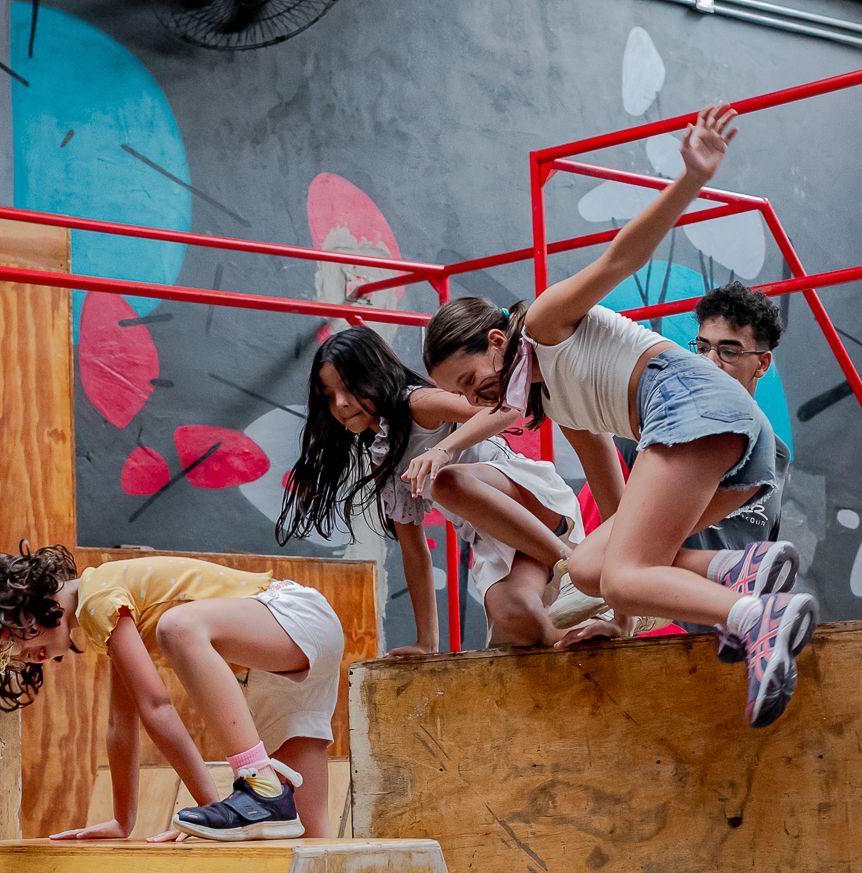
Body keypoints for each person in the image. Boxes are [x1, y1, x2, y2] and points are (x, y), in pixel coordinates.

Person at [421, 106, 814, 727]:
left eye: (472, 380)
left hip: (696, 412)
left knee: (623, 575)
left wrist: (691, 179)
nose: (477, 398)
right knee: (589, 567)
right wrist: (621, 625)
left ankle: (755, 616)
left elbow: (619, 259)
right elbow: (617, 505)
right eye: (463, 395)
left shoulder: (544, 324)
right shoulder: (560, 400)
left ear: (497, 341)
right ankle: (740, 571)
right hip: (733, 445)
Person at [0, 544, 342, 840]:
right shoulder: (104, 614)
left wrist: (209, 812)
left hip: (292, 615)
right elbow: (121, 724)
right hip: (278, 662)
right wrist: (122, 820)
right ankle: (267, 796)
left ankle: (258, 783)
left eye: (11, 638)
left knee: (178, 627)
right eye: (5, 656)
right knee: (306, 839)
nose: (23, 655)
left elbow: (158, 707)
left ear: (25, 600)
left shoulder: (97, 599)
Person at [277, 325, 594, 650]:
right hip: (503, 538)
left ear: (374, 375)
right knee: (517, 623)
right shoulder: (383, 457)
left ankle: (575, 570)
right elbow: (414, 551)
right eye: (329, 396)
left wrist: (443, 449)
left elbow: (504, 410)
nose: (342, 404)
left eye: (349, 388)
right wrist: (426, 642)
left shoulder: (418, 403)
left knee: (447, 482)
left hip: (528, 498)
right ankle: (583, 634)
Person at [680, 280, 793, 657]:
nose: (710, 361)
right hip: (660, 640)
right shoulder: (650, 438)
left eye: (728, 351)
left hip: (736, 646)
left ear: (762, 363)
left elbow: (764, 554)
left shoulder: (776, 456)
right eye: (702, 348)